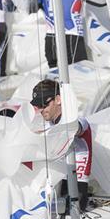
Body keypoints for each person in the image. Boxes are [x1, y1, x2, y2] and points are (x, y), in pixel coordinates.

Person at [30, 78, 92, 211]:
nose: (41, 110)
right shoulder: (46, 124)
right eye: (38, 106)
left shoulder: (78, 121)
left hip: (77, 188)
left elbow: (74, 129)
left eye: (44, 104)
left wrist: (43, 134)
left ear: (58, 99)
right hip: (56, 182)